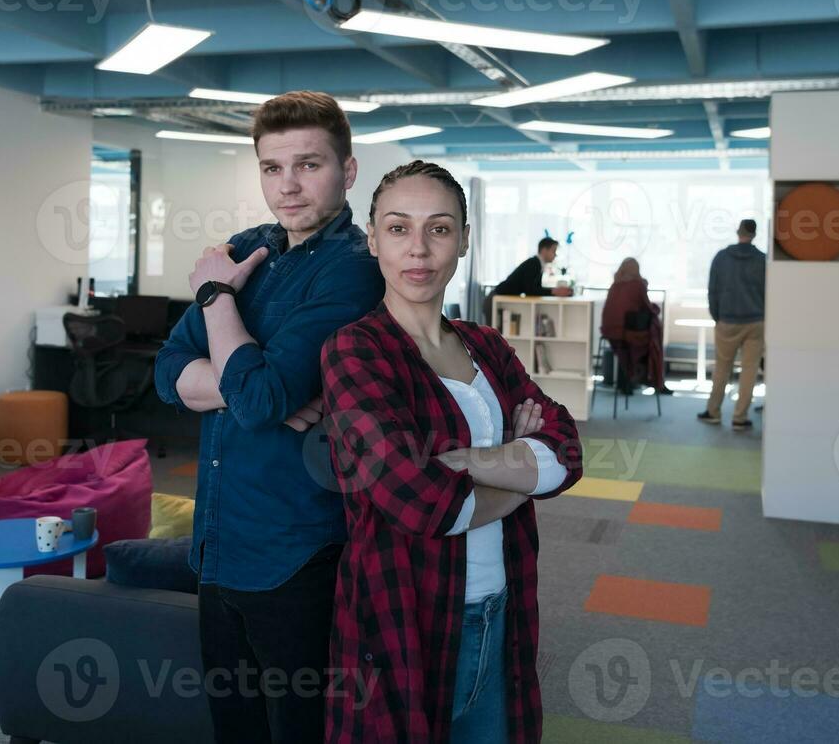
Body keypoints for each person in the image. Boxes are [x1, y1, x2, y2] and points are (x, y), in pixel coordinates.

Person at [321, 161, 583, 742]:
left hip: (503, 605)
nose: (419, 249)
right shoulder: (356, 351)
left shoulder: (486, 344)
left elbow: (565, 453)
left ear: (463, 241)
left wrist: (467, 464)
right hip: (404, 617)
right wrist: (520, 470)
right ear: (372, 239)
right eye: (398, 228)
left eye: (439, 229)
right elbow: (421, 503)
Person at [154, 91, 384, 744]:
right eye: (271, 167)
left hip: (295, 550)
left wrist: (215, 298)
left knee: (297, 728)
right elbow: (167, 372)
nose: (287, 186)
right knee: (235, 725)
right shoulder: (247, 248)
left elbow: (257, 398)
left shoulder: (355, 267)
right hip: (217, 540)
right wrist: (250, 384)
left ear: (348, 169)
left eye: (309, 165)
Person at [698, 219, 766, 430]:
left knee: (722, 368)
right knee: (749, 370)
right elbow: (769, 292)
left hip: (727, 320)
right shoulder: (763, 260)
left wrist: (717, 316)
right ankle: (739, 417)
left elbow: (712, 290)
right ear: (754, 235)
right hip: (756, 320)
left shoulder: (721, 258)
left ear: (738, 233)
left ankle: (714, 411)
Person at [600, 257, 669, 395]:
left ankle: (630, 381)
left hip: (610, 332)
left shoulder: (615, 284)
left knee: (636, 342)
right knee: (654, 337)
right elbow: (647, 307)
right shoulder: (638, 285)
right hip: (627, 333)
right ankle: (653, 380)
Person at [492, 237, 562, 297]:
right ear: (544, 250)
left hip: (500, 298)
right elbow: (530, 291)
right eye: (553, 251)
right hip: (497, 299)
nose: (555, 255)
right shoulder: (533, 264)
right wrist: (554, 291)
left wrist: (554, 291)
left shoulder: (537, 263)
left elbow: (535, 289)